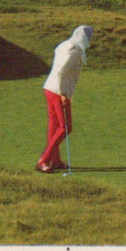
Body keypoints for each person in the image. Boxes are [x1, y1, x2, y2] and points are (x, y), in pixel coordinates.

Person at [36, 25, 94, 173]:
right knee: (65, 127)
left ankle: (55, 160)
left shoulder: (65, 45)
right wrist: (63, 94)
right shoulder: (73, 52)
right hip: (58, 91)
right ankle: (44, 159)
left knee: (54, 126)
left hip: (49, 87)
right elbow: (61, 71)